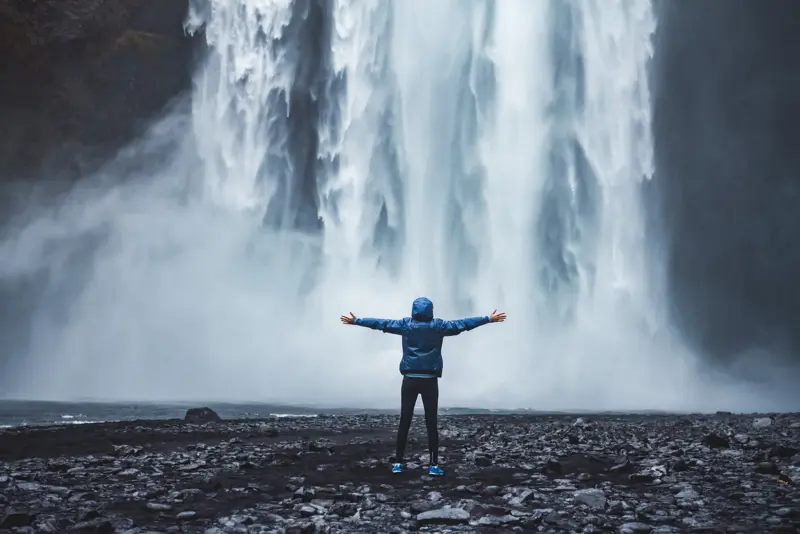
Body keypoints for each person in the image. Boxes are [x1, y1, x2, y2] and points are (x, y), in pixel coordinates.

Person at [340, 297, 506, 476]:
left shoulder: (406, 325)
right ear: (431, 311)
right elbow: (463, 324)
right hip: (429, 380)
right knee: (431, 423)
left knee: (405, 421)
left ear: (413, 310)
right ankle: (433, 465)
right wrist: (488, 319)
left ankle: (398, 463)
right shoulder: (439, 326)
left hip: (410, 379)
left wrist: (357, 321)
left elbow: (382, 324)